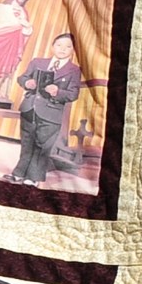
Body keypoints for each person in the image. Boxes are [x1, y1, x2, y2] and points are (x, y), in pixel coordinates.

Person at [10, 31, 84, 188]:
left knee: (42, 146)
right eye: (59, 45)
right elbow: (21, 78)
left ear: (73, 51)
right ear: (52, 47)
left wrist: (57, 92)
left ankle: (33, 177)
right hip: (30, 109)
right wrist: (27, 82)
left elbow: (73, 94)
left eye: (68, 47)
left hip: (51, 114)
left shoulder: (74, 70)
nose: (62, 49)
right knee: (26, 142)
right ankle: (18, 173)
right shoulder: (38, 62)